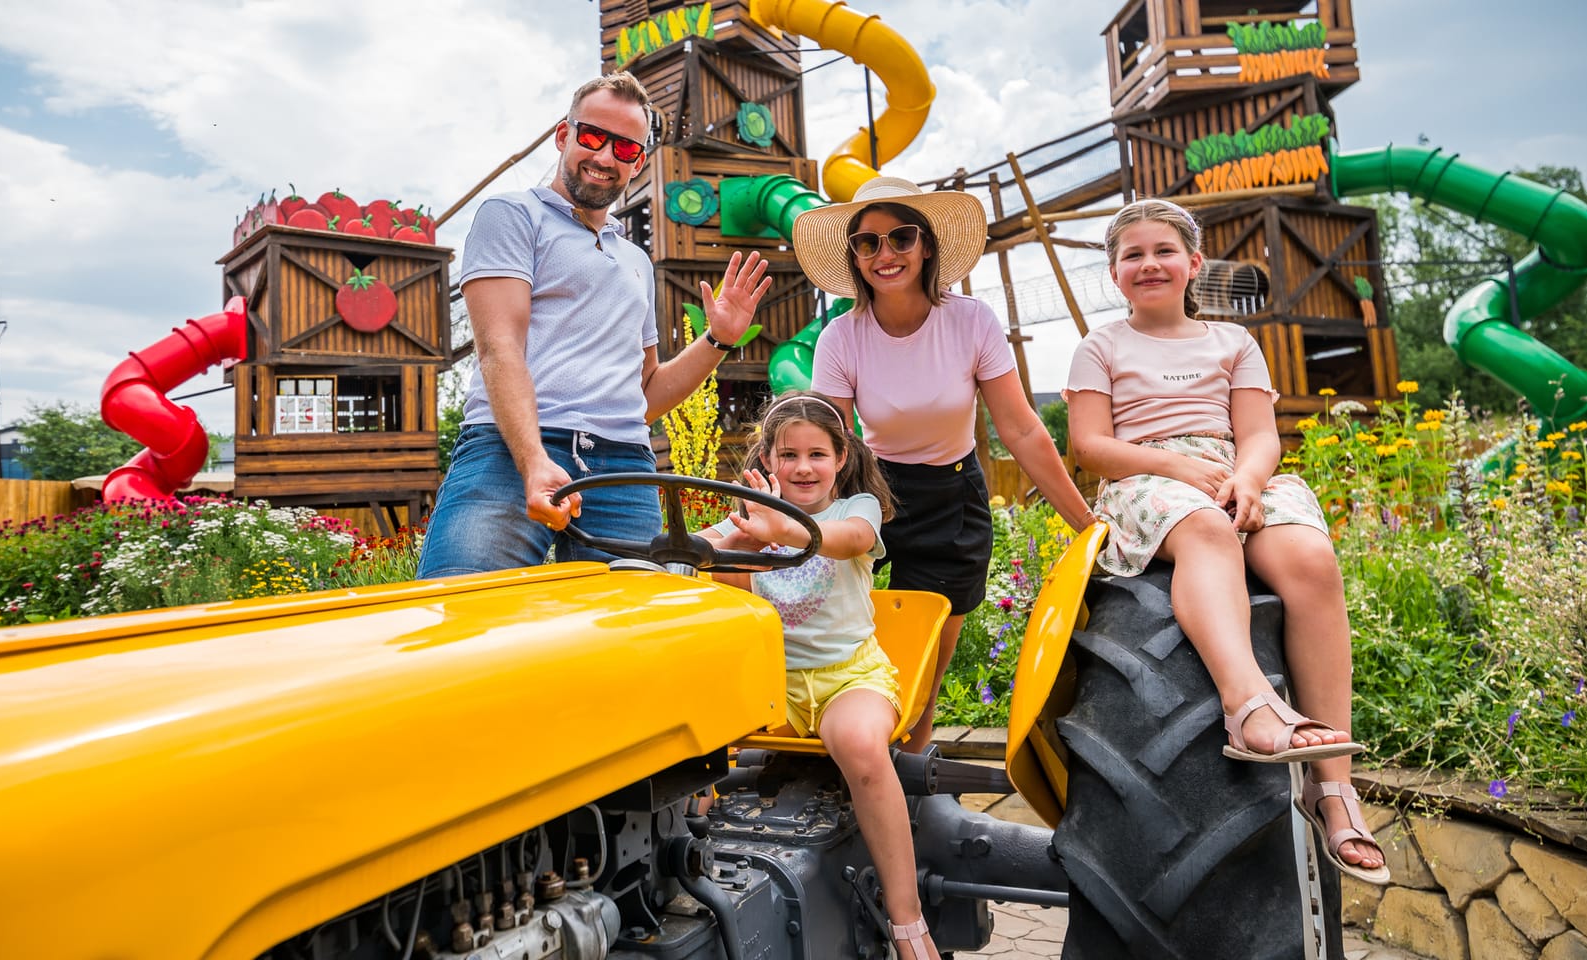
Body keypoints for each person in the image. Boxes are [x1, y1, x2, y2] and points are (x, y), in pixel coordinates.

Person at [1064, 198, 1388, 885]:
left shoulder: (1232, 342)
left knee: (1308, 558)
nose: (1149, 264)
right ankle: (1249, 709)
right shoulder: (1102, 347)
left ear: (1193, 265)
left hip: (1231, 468)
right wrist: (1179, 468)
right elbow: (1091, 446)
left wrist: (1245, 477)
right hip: (1145, 474)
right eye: (1132, 255)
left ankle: (1335, 787)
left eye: (1163, 251)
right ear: (1114, 273)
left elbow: (1260, 433)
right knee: (1209, 530)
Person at [418, 72, 773, 577]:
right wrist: (533, 459)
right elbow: (500, 349)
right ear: (565, 136)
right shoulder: (514, 215)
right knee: (462, 612)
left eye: (625, 148)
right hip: (513, 445)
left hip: (623, 465)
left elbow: (645, 394)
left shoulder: (636, 261)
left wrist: (719, 339)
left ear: (639, 162)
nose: (606, 157)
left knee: (630, 634)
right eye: (592, 137)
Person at [792, 177, 1096, 753]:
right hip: (872, 493)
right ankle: (843, 755)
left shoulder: (971, 321)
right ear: (853, 256)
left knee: (930, 650)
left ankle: (907, 774)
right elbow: (834, 444)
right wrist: (806, 529)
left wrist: (1084, 520)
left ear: (926, 246)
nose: (885, 255)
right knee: (844, 631)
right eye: (868, 243)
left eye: (900, 238)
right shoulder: (841, 337)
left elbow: (1023, 428)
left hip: (951, 494)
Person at [698, 391, 940, 960]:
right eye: (788, 455)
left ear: (841, 460)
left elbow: (848, 542)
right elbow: (697, 553)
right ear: (768, 462)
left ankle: (907, 921)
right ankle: (691, 873)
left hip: (848, 679)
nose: (803, 467)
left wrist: (778, 528)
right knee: (690, 733)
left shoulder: (855, 510)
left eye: (817, 454)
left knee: (859, 744)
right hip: (772, 687)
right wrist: (738, 537)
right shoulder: (753, 515)